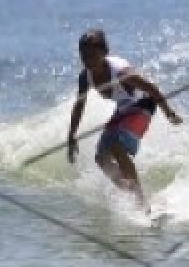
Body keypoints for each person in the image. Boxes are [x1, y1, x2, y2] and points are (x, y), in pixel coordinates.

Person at [66, 29, 182, 212]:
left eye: (92, 55)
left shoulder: (122, 73)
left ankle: (141, 201)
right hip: (123, 109)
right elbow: (79, 106)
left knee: (117, 146)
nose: (87, 60)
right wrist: (72, 136)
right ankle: (130, 189)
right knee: (101, 158)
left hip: (144, 105)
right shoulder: (85, 77)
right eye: (83, 56)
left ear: (105, 53)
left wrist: (168, 112)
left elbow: (151, 88)